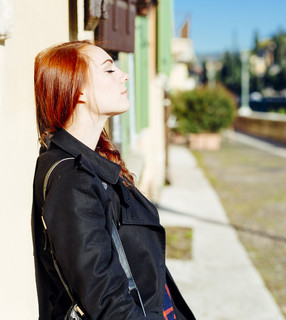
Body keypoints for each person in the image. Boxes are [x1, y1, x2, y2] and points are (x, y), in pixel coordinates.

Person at [31, 40, 195, 320]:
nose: (124, 75)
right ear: (78, 89)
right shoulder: (72, 180)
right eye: (109, 70)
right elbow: (108, 303)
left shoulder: (93, 164)